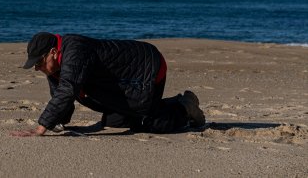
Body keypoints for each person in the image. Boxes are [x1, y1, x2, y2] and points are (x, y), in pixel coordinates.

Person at [11, 32, 205, 137]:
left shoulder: (75, 52)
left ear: (53, 52)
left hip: (146, 69)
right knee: (114, 122)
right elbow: (61, 95)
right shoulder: (54, 66)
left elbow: (68, 89)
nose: (37, 68)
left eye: (39, 63)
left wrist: (41, 127)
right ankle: (173, 103)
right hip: (125, 78)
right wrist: (58, 123)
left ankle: (184, 109)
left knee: (149, 122)